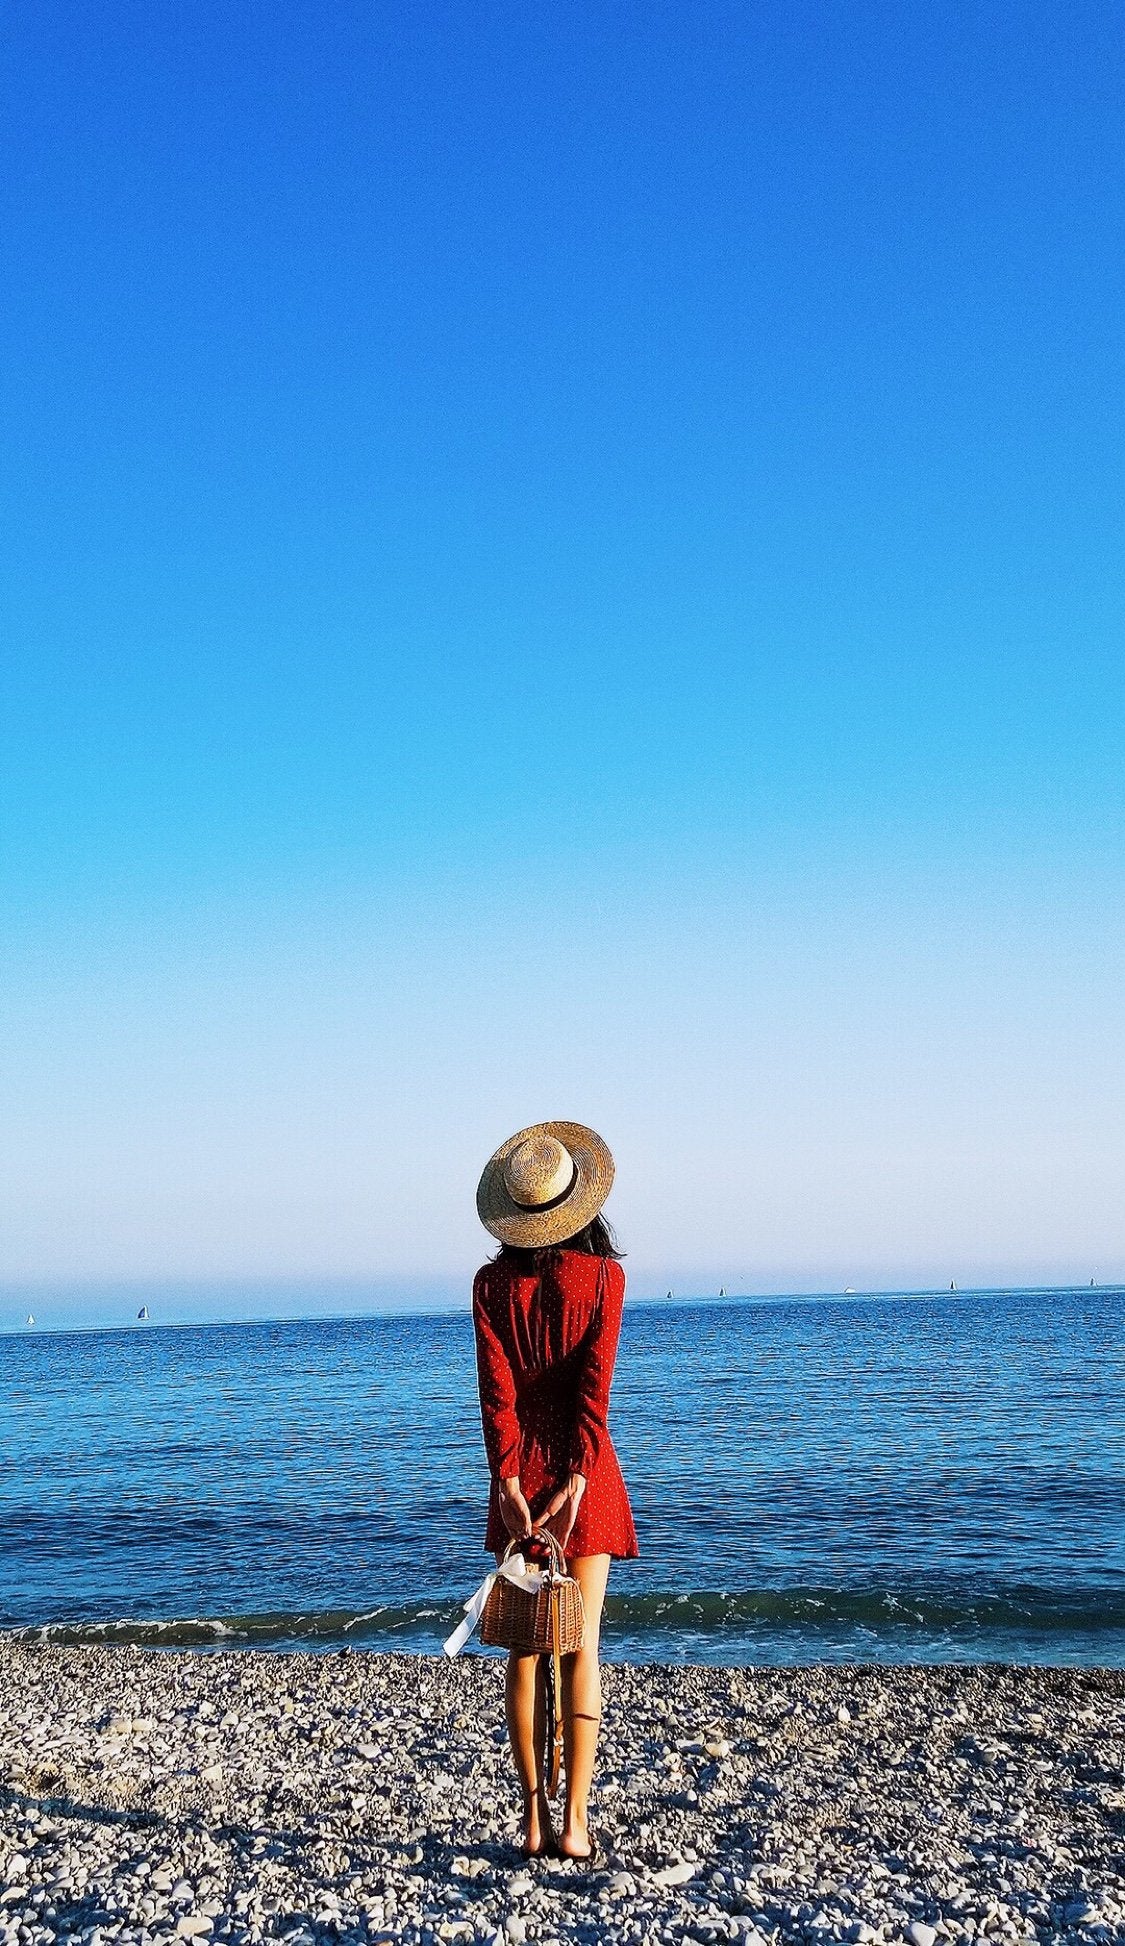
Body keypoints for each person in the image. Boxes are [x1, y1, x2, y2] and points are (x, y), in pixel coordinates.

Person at [472, 1120, 638, 1862]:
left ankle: (531, 1820)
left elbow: (495, 1393)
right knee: (581, 1648)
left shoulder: (490, 1285)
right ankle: (575, 1823)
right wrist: (576, 1478)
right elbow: (593, 1394)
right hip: (583, 1475)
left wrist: (507, 1480)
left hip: (517, 1475)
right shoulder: (604, 1280)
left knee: (524, 1653)